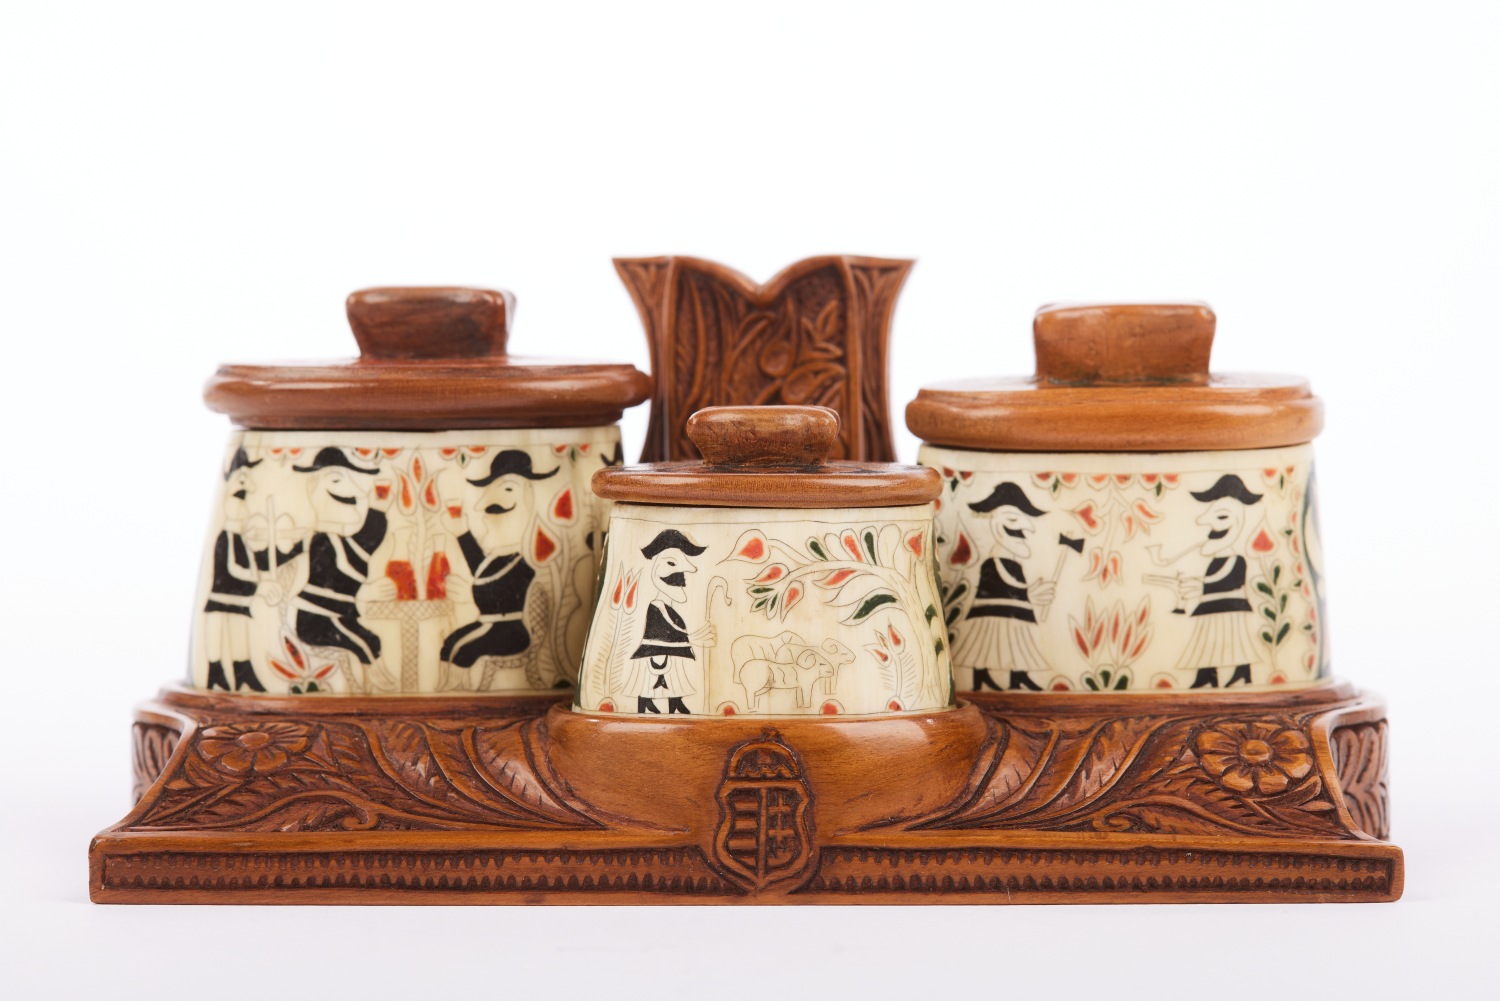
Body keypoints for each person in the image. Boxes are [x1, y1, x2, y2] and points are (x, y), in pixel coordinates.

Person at [438, 450, 557, 687]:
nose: (483, 507)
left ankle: (457, 694)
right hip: (489, 625)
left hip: (511, 630)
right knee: (450, 644)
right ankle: (448, 693)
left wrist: (469, 594)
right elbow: (482, 570)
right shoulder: (498, 556)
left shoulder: (527, 559)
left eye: (509, 489)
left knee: (464, 651)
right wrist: (462, 533)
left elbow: (507, 587)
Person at [289, 448, 393, 690]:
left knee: (372, 642)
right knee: (363, 645)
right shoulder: (315, 540)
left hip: (341, 617)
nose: (353, 491)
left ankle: (371, 688)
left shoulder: (343, 542)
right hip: (317, 619)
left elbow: (369, 539)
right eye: (336, 481)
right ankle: (368, 688)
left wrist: (377, 507)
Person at [202, 447, 298, 691]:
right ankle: (216, 673)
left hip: (241, 597)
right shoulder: (227, 537)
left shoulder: (243, 539)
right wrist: (259, 583)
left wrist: (290, 552)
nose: (244, 508)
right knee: (218, 634)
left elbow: (256, 562)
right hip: (223, 596)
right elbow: (233, 568)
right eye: (240, 500)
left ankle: (243, 672)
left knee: (240, 635)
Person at [951, 481, 1055, 691]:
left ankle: (1018, 677)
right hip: (992, 616)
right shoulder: (993, 562)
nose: (1026, 529)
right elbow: (1005, 585)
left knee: (1019, 647)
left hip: (1016, 615)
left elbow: (1015, 586)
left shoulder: (1015, 564)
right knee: (987, 647)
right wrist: (1028, 594)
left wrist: (1029, 594)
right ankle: (981, 677)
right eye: (1013, 520)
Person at [1174, 474, 1263, 688]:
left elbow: (1226, 580)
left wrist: (1201, 584)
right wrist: (1197, 585)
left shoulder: (1236, 559)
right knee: (1207, 644)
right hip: (1211, 609)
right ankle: (1207, 676)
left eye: (1221, 517)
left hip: (1230, 609)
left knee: (1234, 643)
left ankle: (1241, 673)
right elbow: (1212, 580)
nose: (1204, 523)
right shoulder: (1215, 559)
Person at [625, 529, 714, 714]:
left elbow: (674, 626)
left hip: (671, 650)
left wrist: (690, 637)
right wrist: (691, 637)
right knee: (656, 676)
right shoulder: (657, 605)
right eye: (672, 564)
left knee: (674, 677)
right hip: (657, 651)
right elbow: (668, 626)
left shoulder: (669, 606)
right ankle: (647, 702)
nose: (680, 580)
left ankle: (675, 702)